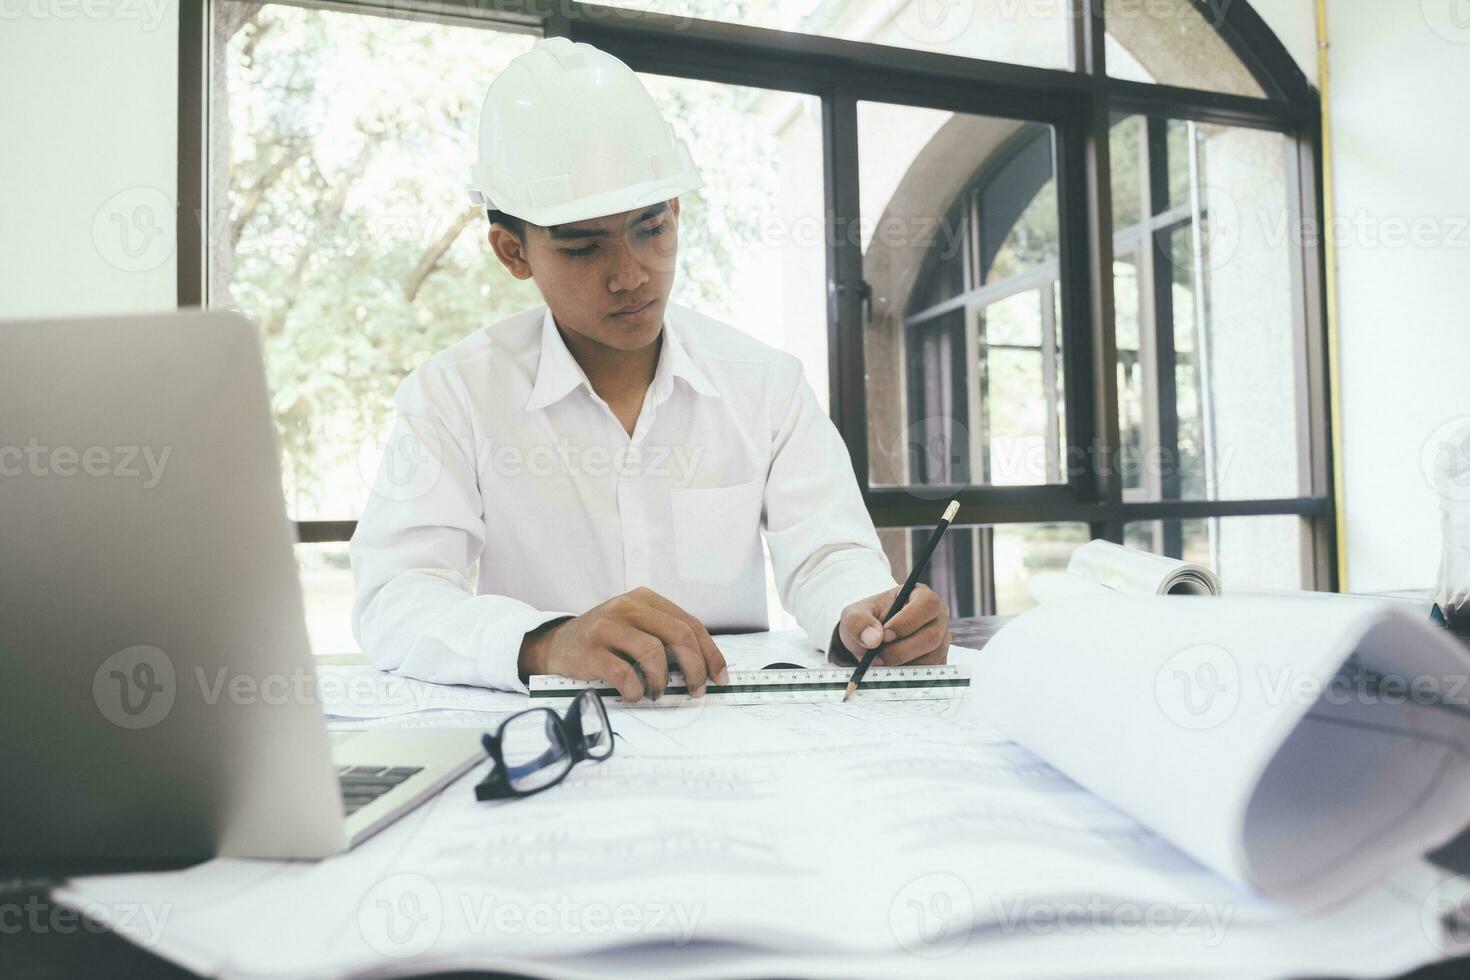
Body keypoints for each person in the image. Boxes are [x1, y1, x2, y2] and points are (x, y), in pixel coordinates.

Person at [350, 38, 950, 701]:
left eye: (651, 229)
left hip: (727, 722)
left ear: (677, 212)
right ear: (512, 251)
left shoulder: (764, 384)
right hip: (553, 737)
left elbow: (826, 553)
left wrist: (864, 613)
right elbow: (396, 598)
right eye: (583, 248)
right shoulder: (454, 396)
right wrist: (548, 640)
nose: (632, 275)